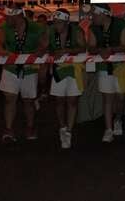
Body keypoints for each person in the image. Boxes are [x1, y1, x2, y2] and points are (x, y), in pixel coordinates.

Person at [0, 6, 48, 142]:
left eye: (9, 17)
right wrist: (1, 50)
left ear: (18, 17)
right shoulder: (6, 26)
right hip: (11, 67)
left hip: (29, 68)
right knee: (9, 98)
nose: (6, 20)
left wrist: (40, 50)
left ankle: (30, 127)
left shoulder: (35, 27)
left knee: (28, 101)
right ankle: (9, 129)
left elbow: (45, 42)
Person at [89, 3, 125, 143]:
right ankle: (108, 129)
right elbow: (91, 47)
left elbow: (124, 46)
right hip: (104, 67)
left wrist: (110, 49)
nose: (93, 17)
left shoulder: (121, 25)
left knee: (121, 97)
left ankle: (118, 119)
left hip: (121, 66)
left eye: (95, 14)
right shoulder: (93, 28)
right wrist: (100, 50)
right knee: (107, 99)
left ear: (103, 14)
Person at [48, 9, 86, 149]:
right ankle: (62, 127)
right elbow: (43, 46)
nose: (57, 25)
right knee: (59, 100)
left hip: (74, 69)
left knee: (72, 101)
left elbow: (83, 48)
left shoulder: (77, 31)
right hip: (59, 69)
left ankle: (69, 131)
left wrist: (66, 51)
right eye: (55, 22)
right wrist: (51, 52)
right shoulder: (50, 31)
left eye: (60, 23)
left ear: (67, 22)